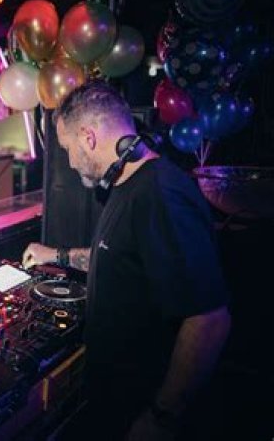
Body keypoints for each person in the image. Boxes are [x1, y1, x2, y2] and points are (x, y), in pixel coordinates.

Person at [21, 82, 230, 440]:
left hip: (143, 406)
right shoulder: (127, 184)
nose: (70, 162)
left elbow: (209, 319)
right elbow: (118, 257)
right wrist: (56, 255)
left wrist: (161, 417)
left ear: (88, 138)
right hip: (115, 398)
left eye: (68, 149)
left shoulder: (159, 194)